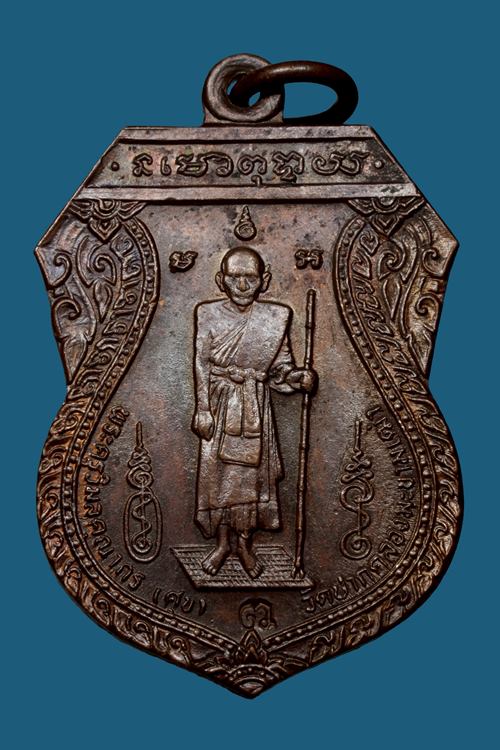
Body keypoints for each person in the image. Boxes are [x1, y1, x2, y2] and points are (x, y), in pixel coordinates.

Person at [191, 247, 316, 578]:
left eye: (250, 277)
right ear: (221, 280)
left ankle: (245, 545)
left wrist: (298, 378)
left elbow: (280, 368)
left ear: (265, 280)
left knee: (251, 479)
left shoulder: (275, 318)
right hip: (219, 404)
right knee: (218, 478)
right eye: (235, 277)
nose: (243, 285)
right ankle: (222, 545)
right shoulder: (207, 313)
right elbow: (201, 363)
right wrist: (202, 408)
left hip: (255, 407)